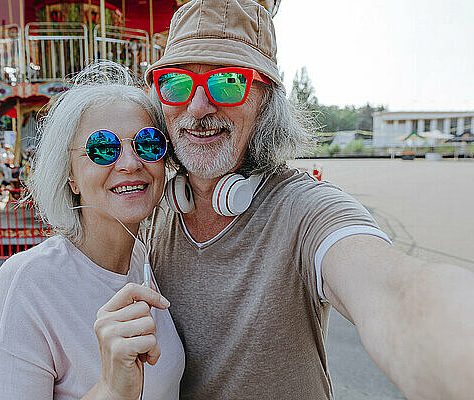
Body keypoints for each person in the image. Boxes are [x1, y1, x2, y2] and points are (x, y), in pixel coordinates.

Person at [143, 0, 474, 398]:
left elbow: (394, 293)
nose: (197, 107)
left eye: (228, 82)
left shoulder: (306, 210)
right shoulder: (149, 214)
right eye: (176, 83)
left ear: (266, 101)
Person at [0, 62, 184, 400]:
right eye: (103, 148)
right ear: (70, 176)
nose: (130, 163)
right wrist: (109, 390)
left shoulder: (150, 261)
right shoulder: (25, 287)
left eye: (148, 143)